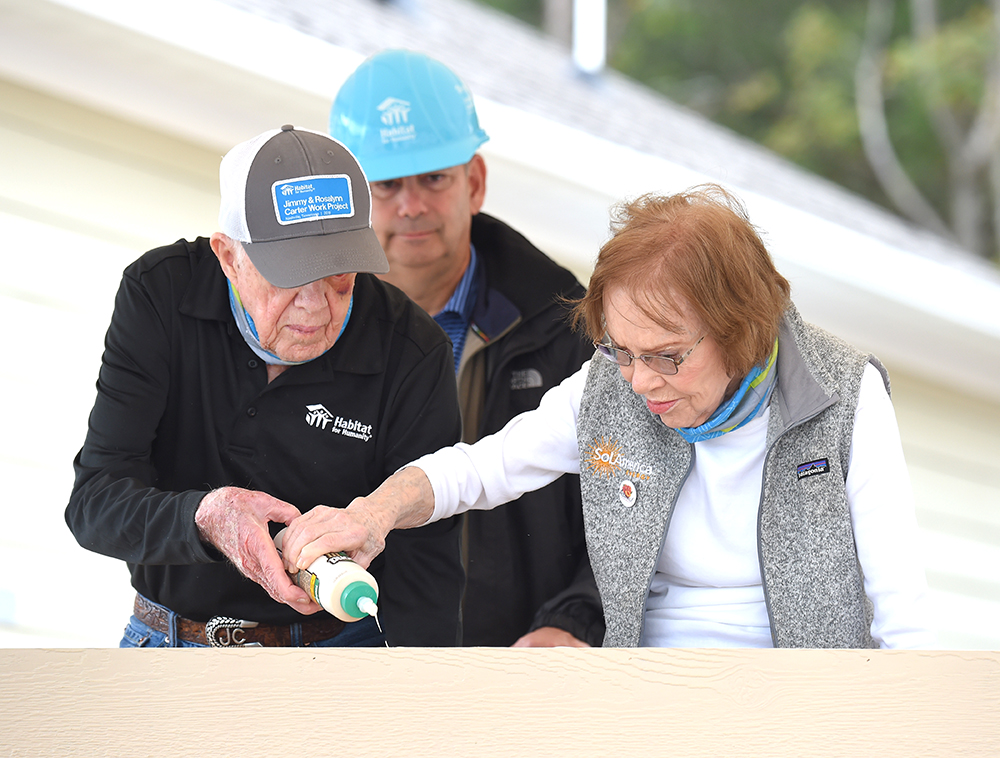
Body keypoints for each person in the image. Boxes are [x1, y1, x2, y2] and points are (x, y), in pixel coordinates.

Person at [279, 184, 936, 649]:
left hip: (802, 704)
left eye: (668, 357)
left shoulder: (847, 397)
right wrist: (374, 513)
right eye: (622, 352)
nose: (641, 381)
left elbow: (902, 619)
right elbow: (482, 467)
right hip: (643, 699)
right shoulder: (610, 389)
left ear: (741, 331)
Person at [66, 125, 464, 648]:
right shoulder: (159, 295)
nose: (316, 307)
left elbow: (427, 570)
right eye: (289, 279)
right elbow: (95, 503)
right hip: (170, 637)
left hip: (339, 650)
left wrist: (415, 707)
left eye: (340, 276)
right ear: (228, 256)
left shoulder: (411, 349)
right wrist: (205, 518)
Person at [329, 49, 604, 647]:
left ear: (473, 182)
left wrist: (574, 620)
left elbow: (636, 503)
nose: (413, 205)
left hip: (521, 675)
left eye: (434, 177)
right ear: (348, 198)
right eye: (387, 185)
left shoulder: (569, 332)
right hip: (350, 668)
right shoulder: (304, 331)